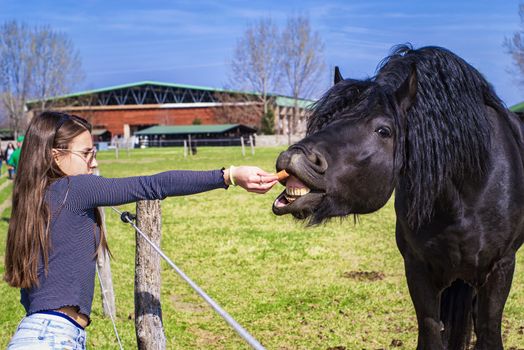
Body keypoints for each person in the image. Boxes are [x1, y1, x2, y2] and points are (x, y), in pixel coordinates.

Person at [4, 111, 278, 349]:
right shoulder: (75, 189)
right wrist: (228, 175)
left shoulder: (31, 204)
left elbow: (30, 295)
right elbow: (152, 185)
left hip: (34, 333)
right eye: (86, 153)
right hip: (54, 339)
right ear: (56, 156)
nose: (94, 162)